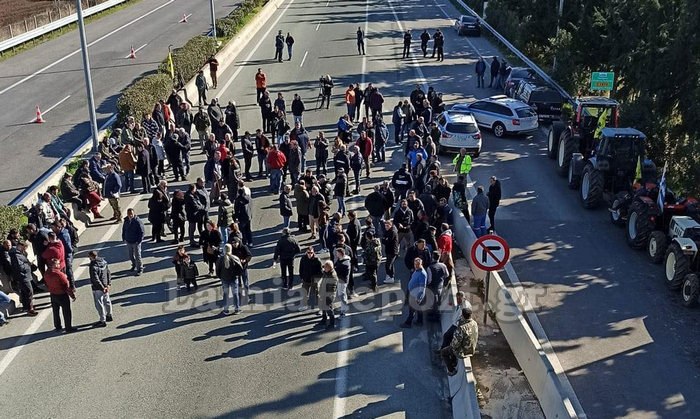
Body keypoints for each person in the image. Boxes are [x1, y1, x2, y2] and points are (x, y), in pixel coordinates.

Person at [441, 305, 478, 376]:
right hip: (472, 349)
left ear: (463, 316)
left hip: (463, 352)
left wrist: (450, 347)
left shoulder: (461, 328)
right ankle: (453, 361)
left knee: (444, 352)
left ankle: (451, 370)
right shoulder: (474, 323)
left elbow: (454, 345)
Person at [44, 258, 76, 332]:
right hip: (62, 295)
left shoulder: (46, 273)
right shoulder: (59, 274)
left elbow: (46, 284)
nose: (59, 265)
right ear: (54, 265)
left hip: (53, 294)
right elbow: (66, 286)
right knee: (66, 312)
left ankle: (57, 326)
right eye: (58, 264)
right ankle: (68, 327)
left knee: (55, 311)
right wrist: (72, 295)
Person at [10, 240, 38, 316]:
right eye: (24, 247)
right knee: (29, 291)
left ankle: (27, 307)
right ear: (21, 246)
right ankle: (30, 309)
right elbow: (19, 266)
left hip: (25, 275)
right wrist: (28, 265)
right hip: (22, 275)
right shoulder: (15, 255)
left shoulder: (20, 253)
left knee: (25, 292)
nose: (25, 249)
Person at [216, 244, 244, 315]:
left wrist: (220, 277)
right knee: (235, 294)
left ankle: (226, 310)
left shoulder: (221, 259)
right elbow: (240, 268)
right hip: (233, 278)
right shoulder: (234, 258)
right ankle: (237, 309)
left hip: (224, 279)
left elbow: (217, 270)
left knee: (225, 294)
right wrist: (237, 275)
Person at [401, 257, 428, 328]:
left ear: (421, 264)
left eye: (417, 264)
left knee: (412, 310)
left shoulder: (422, 274)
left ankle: (408, 323)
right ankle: (420, 321)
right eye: (415, 264)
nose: (415, 266)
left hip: (416, 295)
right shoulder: (417, 271)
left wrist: (419, 298)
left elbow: (422, 287)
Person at [88, 250, 113, 327]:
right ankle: (109, 315)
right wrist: (108, 284)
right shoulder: (104, 262)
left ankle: (102, 320)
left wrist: (102, 288)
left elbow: (95, 279)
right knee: (107, 301)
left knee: (99, 304)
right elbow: (108, 273)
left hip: (98, 288)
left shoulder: (93, 266)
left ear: (91, 257)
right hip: (105, 285)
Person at [122, 208, 145, 276]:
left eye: (131, 214)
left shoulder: (138, 221)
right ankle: (134, 264)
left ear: (134, 213)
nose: (130, 215)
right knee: (131, 255)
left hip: (136, 242)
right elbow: (124, 229)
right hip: (129, 241)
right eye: (129, 214)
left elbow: (142, 232)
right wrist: (124, 238)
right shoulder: (126, 220)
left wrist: (139, 241)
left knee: (138, 256)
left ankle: (140, 269)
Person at [299, 246, 322, 311]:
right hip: (306, 279)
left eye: (311, 253)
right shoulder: (303, 259)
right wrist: (301, 277)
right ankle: (304, 305)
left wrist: (317, 280)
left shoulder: (317, 260)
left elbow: (320, 272)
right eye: (308, 252)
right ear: (306, 252)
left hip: (314, 280)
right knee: (304, 294)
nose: (310, 254)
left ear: (313, 252)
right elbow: (301, 268)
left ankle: (320, 308)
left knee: (317, 295)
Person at [318, 260, 338, 329]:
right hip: (324, 294)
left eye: (325, 267)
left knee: (329, 309)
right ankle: (324, 319)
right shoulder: (326, 273)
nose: (324, 269)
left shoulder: (332, 276)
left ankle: (332, 323)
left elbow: (330, 289)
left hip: (329, 295)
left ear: (329, 268)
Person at [333, 247, 351, 317]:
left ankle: (343, 310)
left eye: (337, 253)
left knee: (342, 295)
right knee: (341, 294)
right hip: (340, 279)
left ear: (340, 254)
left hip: (342, 280)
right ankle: (343, 307)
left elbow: (342, 272)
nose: (336, 255)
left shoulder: (345, 262)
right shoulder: (340, 260)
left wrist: (335, 270)